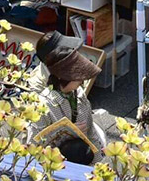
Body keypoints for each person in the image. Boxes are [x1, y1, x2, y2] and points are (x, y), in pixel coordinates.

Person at [29, 31, 104, 164]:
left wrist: (98, 168)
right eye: (77, 77)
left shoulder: (78, 95)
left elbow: (91, 134)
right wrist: (68, 130)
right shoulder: (41, 102)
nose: (82, 82)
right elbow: (33, 145)